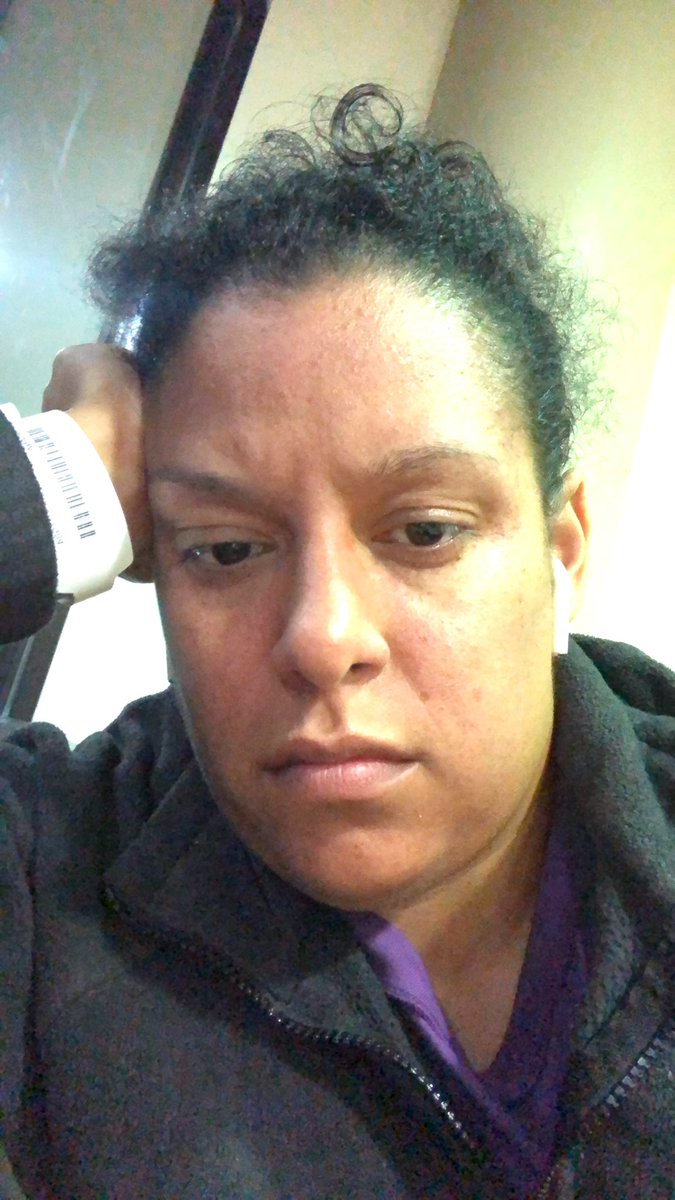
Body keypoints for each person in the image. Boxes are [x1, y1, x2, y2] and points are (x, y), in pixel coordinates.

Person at [1, 85, 673, 1200]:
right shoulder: (48, 879)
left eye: (425, 532)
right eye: (225, 548)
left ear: (561, 553)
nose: (322, 639)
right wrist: (48, 490)